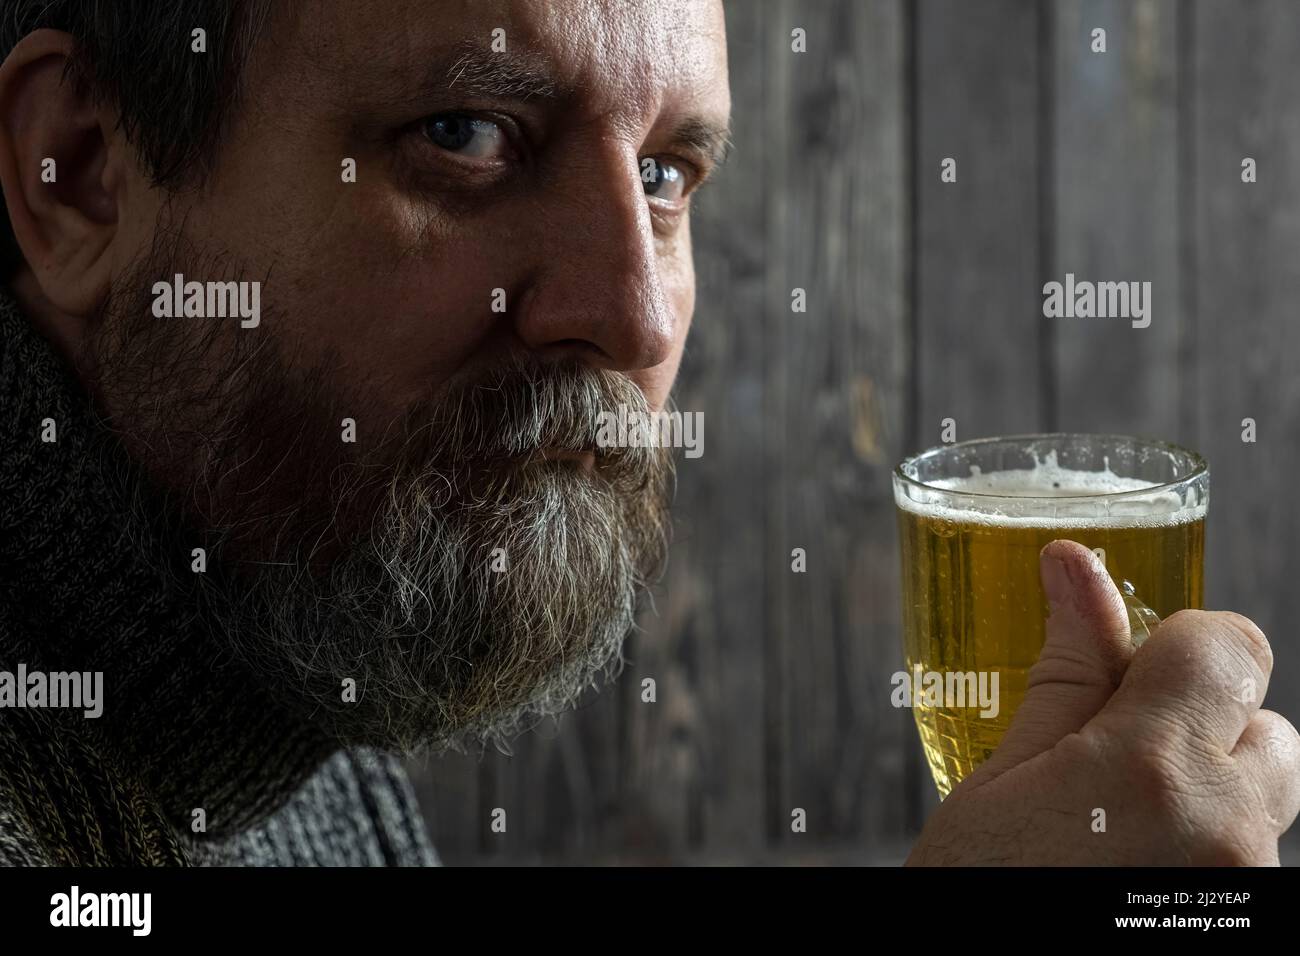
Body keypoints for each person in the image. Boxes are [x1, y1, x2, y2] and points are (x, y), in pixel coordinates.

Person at [0, 0, 1293, 867]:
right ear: (79, 173)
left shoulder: (273, 715)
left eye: (668, 176)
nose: (632, 314)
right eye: (467, 136)